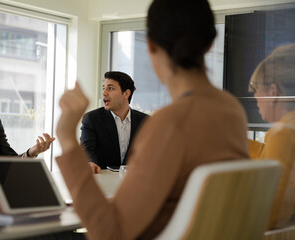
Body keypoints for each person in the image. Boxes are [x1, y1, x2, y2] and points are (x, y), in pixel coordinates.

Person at [55, 0, 248, 239]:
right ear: (209, 43)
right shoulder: (233, 112)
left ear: (151, 46)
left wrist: (66, 137)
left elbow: (108, 232)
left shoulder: (170, 123)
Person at [248, 44, 295, 229]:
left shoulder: (283, 135)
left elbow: (267, 216)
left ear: (273, 92)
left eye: (256, 88)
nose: (254, 96)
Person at [80, 71, 148, 173]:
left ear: (126, 93)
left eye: (110, 88)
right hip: (102, 181)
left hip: (134, 182)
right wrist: (90, 162)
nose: (104, 93)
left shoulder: (145, 122)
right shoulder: (92, 119)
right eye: (104, 88)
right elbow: (87, 150)